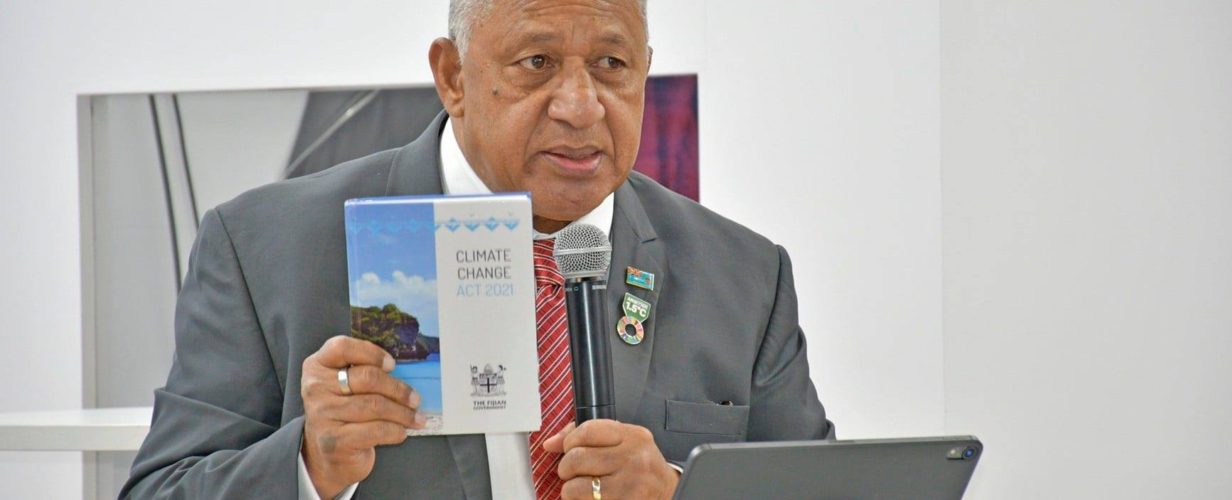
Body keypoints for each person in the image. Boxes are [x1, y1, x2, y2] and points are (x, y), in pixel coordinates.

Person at [121, 0, 832, 498]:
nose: (580, 105)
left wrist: (682, 492)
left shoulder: (744, 275)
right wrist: (309, 464)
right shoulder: (264, 248)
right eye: (537, 62)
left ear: (644, 70)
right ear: (453, 76)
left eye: (612, 63)